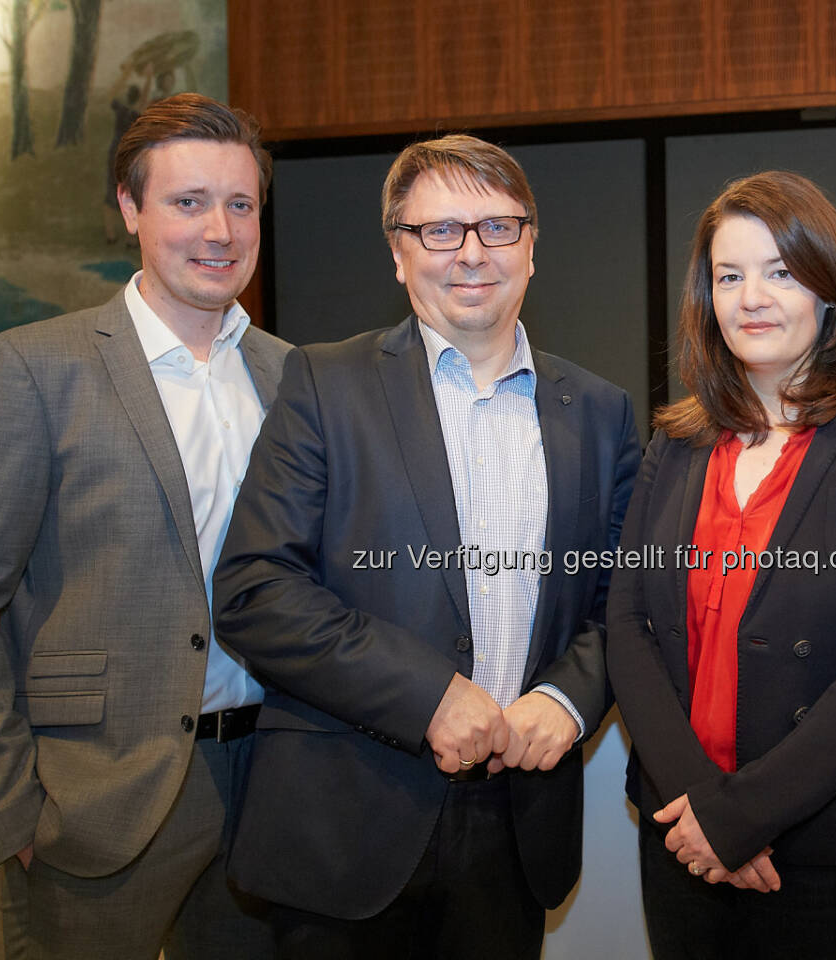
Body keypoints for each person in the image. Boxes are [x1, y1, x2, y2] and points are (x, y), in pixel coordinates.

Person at [211, 134, 641, 959]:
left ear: (532, 246)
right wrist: (428, 696)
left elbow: (623, 598)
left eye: (497, 227)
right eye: (440, 230)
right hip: (348, 818)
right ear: (399, 254)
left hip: (515, 822)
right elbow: (255, 587)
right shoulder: (324, 384)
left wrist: (568, 698)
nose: (472, 253)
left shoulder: (599, 410)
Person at [0, 93, 288, 959]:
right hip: (92, 802)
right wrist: (7, 806)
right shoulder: (29, 370)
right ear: (130, 208)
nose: (219, 231)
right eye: (188, 202)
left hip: (268, 785)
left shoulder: (291, 376)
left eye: (240, 205)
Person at [606, 170, 836, 958]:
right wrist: (702, 811)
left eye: (780, 271)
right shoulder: (676, 444)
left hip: (828, 848)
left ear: (830, 289)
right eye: (729, 276)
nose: (751, 297)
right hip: (681, 838)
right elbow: (629, 625)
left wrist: (742, 818)